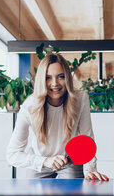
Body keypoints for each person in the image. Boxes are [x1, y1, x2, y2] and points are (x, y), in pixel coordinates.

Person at [6, 53, 108, 181]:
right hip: (40, 161)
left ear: (68, 78)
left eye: (61, 77)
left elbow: (87, 138)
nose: (55, 83)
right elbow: (12, 154)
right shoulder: (29, 106)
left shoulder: (80, 99)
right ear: (41, 80)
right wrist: (45, 161)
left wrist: (90, 170)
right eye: (48, 78)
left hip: (69, 162)